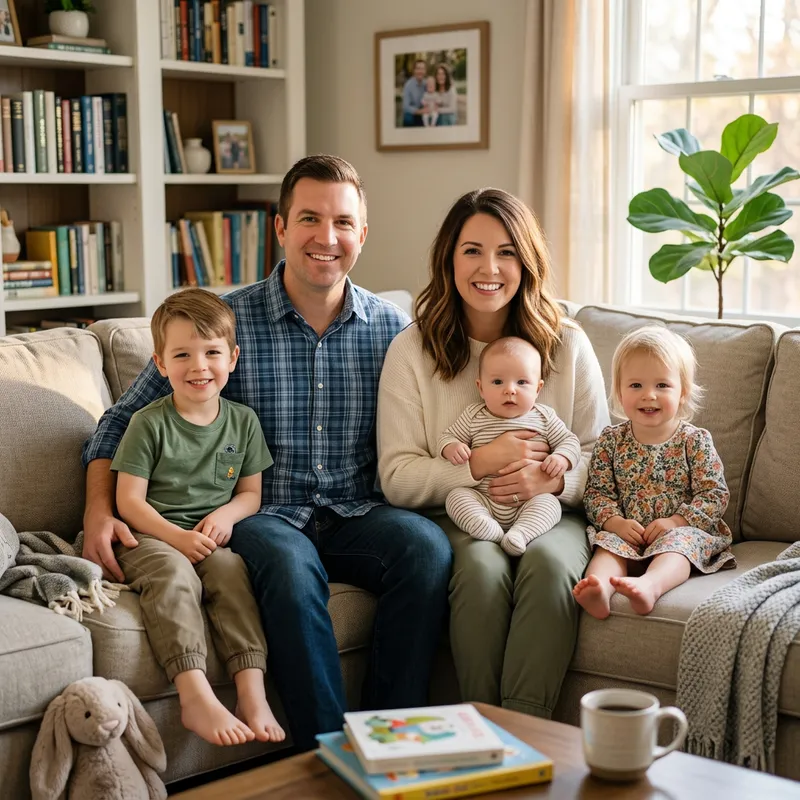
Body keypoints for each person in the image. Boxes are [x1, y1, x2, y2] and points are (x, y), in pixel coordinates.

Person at [81, 154, 453, 751]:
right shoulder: (224, 326)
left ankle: (391, 743)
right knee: (288, 563)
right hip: (261, 515)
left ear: (362, 233)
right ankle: (326, 754)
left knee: (428, 551)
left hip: (359, 511)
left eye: (342, 222)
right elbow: (118, 422)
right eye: (309, 218)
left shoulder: (395, 330)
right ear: (280, 228)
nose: (325, 238)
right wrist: (99, 510)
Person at [377, 188, 610, 719]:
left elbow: (601, 453)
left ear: (526, 261)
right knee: (482, 573)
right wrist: (480, 462)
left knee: (550, 568)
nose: (490, 267)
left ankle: (525, 729)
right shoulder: (412, 350)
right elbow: (396, 476)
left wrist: (552, 482)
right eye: (472, 250)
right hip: (462, 510)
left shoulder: (567, 345)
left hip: (552, 514)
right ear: (449, 259)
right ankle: (481, 725)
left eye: (506, 251)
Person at [112, 289, 284, 746]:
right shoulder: (148, 423)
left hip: (208, 539)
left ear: (233, 358)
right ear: (161, 364)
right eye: (182, 354)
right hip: (150, 535)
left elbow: (250, 493)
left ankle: (251, 691)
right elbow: (129, 503)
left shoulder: (243, 421)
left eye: (211, 352)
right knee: (174, 575)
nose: (199, 366)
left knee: (231, 570)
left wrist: (227, 515)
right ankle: (194, 695)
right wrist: (177, 538)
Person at [573, 326, 735, 619]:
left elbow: (714, 494)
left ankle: (650, 585)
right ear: (620, 393)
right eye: (636, 386)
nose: (649, 395)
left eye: (662, 385)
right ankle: (600, 588)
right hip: (628, 534)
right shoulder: (611, 441)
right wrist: (615, 522)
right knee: (607, 548)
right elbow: (597, 493)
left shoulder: (694, 440)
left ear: (683, 392)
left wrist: (677, 520)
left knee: (678, 547)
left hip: (679, 532)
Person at [439, 336, 581, 556]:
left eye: (522, 382)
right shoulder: (473, 416)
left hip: (530, 501)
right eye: (497, 382)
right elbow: (448, 436)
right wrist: (451, 447)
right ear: (481, 387)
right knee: (456, 497)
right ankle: (487, 529)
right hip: (484, 499)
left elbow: (570, 441)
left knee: (550, 505)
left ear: (538, 388)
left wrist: (562, 458)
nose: (510, 390)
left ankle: (521, 533)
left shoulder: (544, 417)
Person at [402, 59, 428, 127]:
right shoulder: (408, 85)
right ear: (414, 71)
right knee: (408, 117)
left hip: (423, 113)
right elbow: (406, 107)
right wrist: (419, 111)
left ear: (425, 71)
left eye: (422, 69)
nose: (420, 71)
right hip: (412, 115)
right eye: (418, 68)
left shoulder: (426, 84)